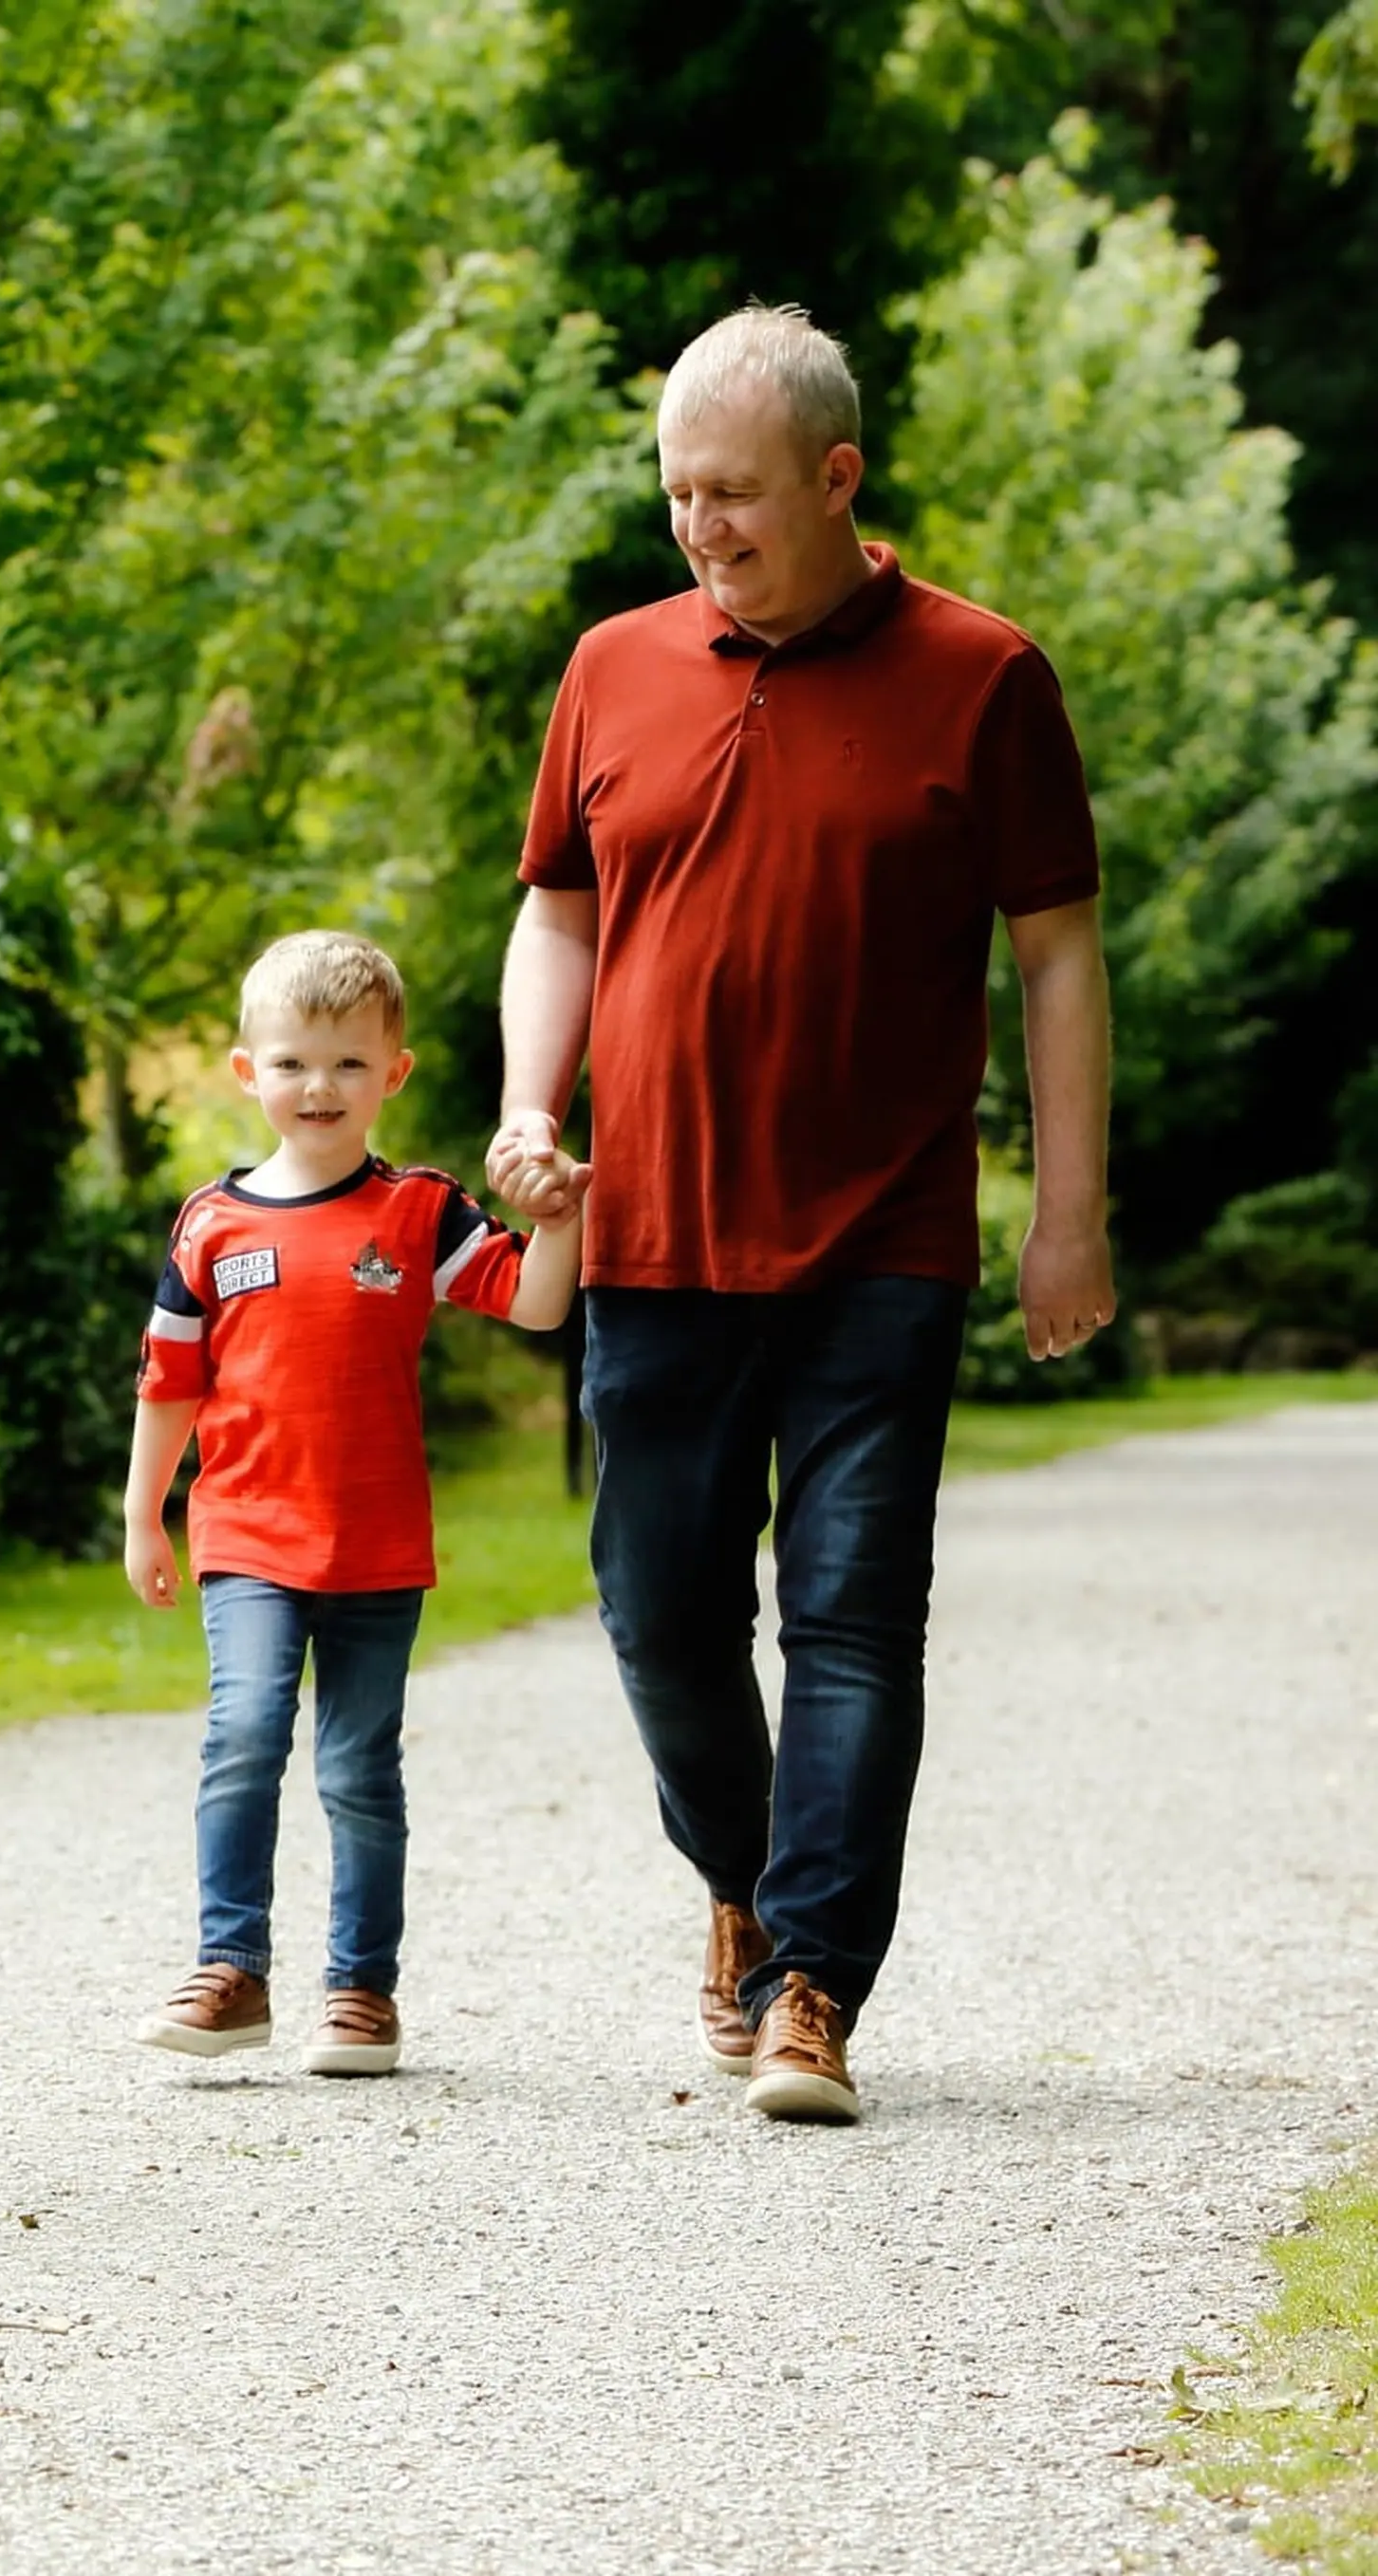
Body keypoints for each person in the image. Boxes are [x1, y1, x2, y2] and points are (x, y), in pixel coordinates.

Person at [488, 303, 1114, 2124]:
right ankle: (746, 1888)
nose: (703, 529)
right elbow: (559, 911)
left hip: (881, 1239)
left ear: (840, 480)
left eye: (739, 496)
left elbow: (1057, 952)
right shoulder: (612, 668)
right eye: (680, 495)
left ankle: (814, 1986)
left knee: (851, 1617)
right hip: (656, 1228)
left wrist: (1066, 1209)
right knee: (659, 1615)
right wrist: (531, 1105)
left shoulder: (985, 675)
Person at [123, 931, 581, 2077]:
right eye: (291, 1065)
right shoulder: (210, 1228)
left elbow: (529, 1302)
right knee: (242, 1738)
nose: (317, 1088)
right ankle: (231, 1970)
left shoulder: (419, 1213)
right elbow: (168, 1382)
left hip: (376, 1543)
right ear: (247, 1074)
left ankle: (360, 1992)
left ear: (394, 1074)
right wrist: (144, 1514)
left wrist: (565, 1219)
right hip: (246, 1534)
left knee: (358, 1769)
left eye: (345, 1066)